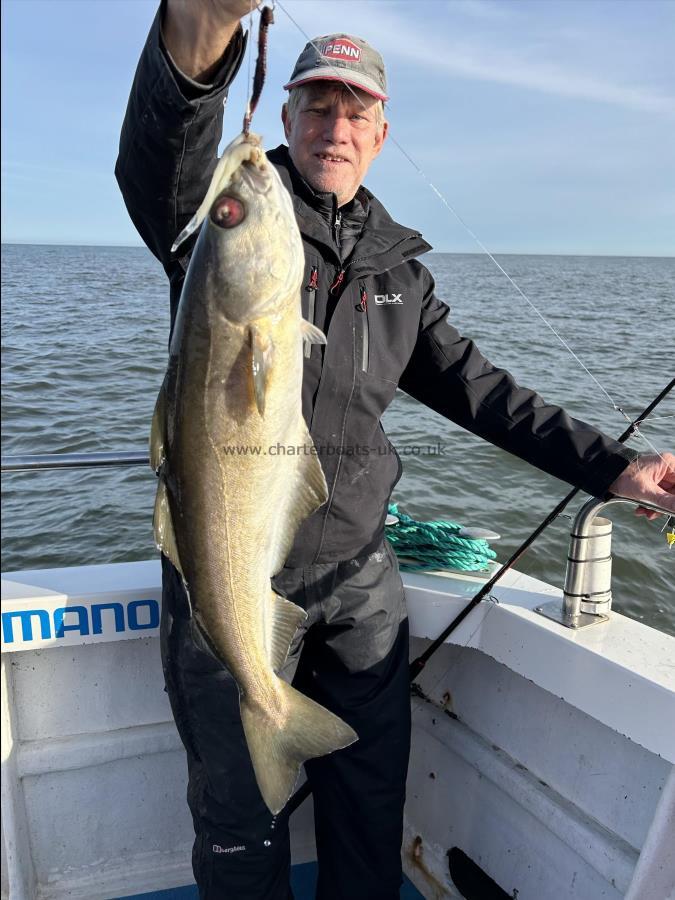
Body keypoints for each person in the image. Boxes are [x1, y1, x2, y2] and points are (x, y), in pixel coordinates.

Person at [115, 2, 675, 897]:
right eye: (316, 107)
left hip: (358, 581)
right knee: (236, 820)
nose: (334, 128)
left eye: (354, 113)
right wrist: (200, 27)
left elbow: (485, 396)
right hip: (229, 575)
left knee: (370, 806)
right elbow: (165, 163)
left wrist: (618, 468)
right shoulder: (226, 227)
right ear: (288, 119)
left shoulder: (398, 273)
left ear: (380, 133)